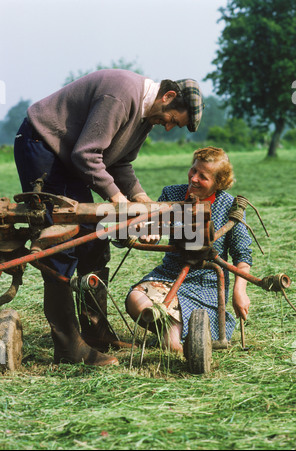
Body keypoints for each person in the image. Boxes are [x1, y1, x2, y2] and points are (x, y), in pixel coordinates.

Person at [13, 69, 204, 366]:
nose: (168, 127)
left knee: (95, 241)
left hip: (68, 157)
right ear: (167, 97)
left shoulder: (145, 118)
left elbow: (120, 163)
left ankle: (96, 334)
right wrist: (118, 200)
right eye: (172, 120)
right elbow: (87, 155)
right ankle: (68, 349)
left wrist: (140, 199)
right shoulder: (121, 94)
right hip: (43, 147)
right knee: (61, 243)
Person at [126, 147, 252, 353]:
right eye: (193, 170)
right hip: (169, 275)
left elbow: (242, 254)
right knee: (135, 300)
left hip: (206, 284)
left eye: (203, 176)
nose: (193, 178)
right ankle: (170, 325)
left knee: (173, 346)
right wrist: (150, 233)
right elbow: (156, 228)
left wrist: (240, 291)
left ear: (218, 183)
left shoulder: (228, 206)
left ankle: (174, 332)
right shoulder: (172, 193)